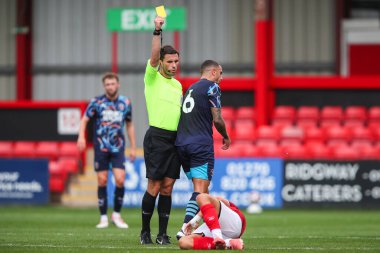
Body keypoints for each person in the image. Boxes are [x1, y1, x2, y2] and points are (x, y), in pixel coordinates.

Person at [175, 60, 231, 239]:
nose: (221, 78)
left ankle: (193, 226)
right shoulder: (212, 87)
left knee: (202, 192)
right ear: (213, 72)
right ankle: (185, 228)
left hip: (182, 144)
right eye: (220, 73)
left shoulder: (190, 88)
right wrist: (226, 135)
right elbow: (217, 118)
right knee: (200, 191)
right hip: (200, 145)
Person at [140, 16, 183, 245]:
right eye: (170, 62)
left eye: (176, 61)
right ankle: (145, 231)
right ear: (161, 63)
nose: (174, 65)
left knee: (167, 188)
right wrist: (157, 30)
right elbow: (154, 56)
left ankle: (162, 234)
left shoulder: (178, 85)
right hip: (156, 137)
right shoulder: (152, 77)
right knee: (154, 186)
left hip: (175, 140)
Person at [77, 72, 136, 229]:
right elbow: (84, 119)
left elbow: (129, 124)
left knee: (120, 179)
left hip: (118, 147)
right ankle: (103, 217)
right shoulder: (96, 102)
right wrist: (81, 137)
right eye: (107, 84)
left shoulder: (125, 102)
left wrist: (133, 146)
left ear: (118, 84)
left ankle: (116, 215)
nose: (110, 86)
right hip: (101, 147)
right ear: (104, 86)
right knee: (102, 180)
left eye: (112, 83)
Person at [178, 193, 246, 250]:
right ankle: (227, 243)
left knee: (201, 197)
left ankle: (217, 236)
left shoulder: (219, 205)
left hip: (233, 224)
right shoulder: (211, 215)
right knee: (183, 242)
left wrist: (196, 219)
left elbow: (219, 199)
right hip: (223, 231)